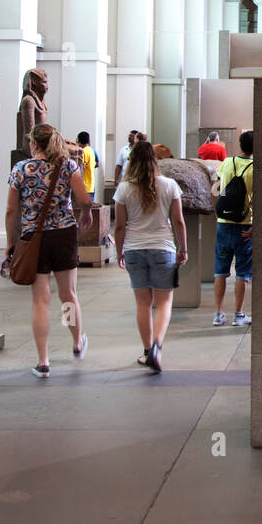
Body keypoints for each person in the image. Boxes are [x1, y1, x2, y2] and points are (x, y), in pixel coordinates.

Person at [5, 123, 94, 377]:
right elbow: (85, 199)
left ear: (34, 143)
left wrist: (12, 241)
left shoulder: (21, 169)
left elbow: (12, 211)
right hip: (64, 234)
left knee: (40, 301)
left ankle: (43, 362)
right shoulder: (67, 166)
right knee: (68, 295)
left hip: (34, 237)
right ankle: (77, 342)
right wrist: (86, 214)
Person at [114, 139, 187, 373]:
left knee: (142, 303)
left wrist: (119, 251)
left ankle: (147, 351)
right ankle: (157, 346)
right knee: (164, 302)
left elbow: (119, 226)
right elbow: (178, 221)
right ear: (155, 161)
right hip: (163, 248)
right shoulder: (169, 185)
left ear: (131, 161)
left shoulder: (124, 189)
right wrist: (183, 248)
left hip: (134, 249)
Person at [214, 130, 254, 327]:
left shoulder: (227, 162)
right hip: (244, 226)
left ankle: (218, 314)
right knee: (242, 273)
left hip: (223, 223)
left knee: (220, 271)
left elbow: (218, 189)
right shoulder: (256, 169)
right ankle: (238, 314)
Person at [76, 130, 96, 200]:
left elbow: (79, 167)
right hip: (91, 185)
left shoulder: (84, 151)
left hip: (85, 186)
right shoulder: (91, 150)